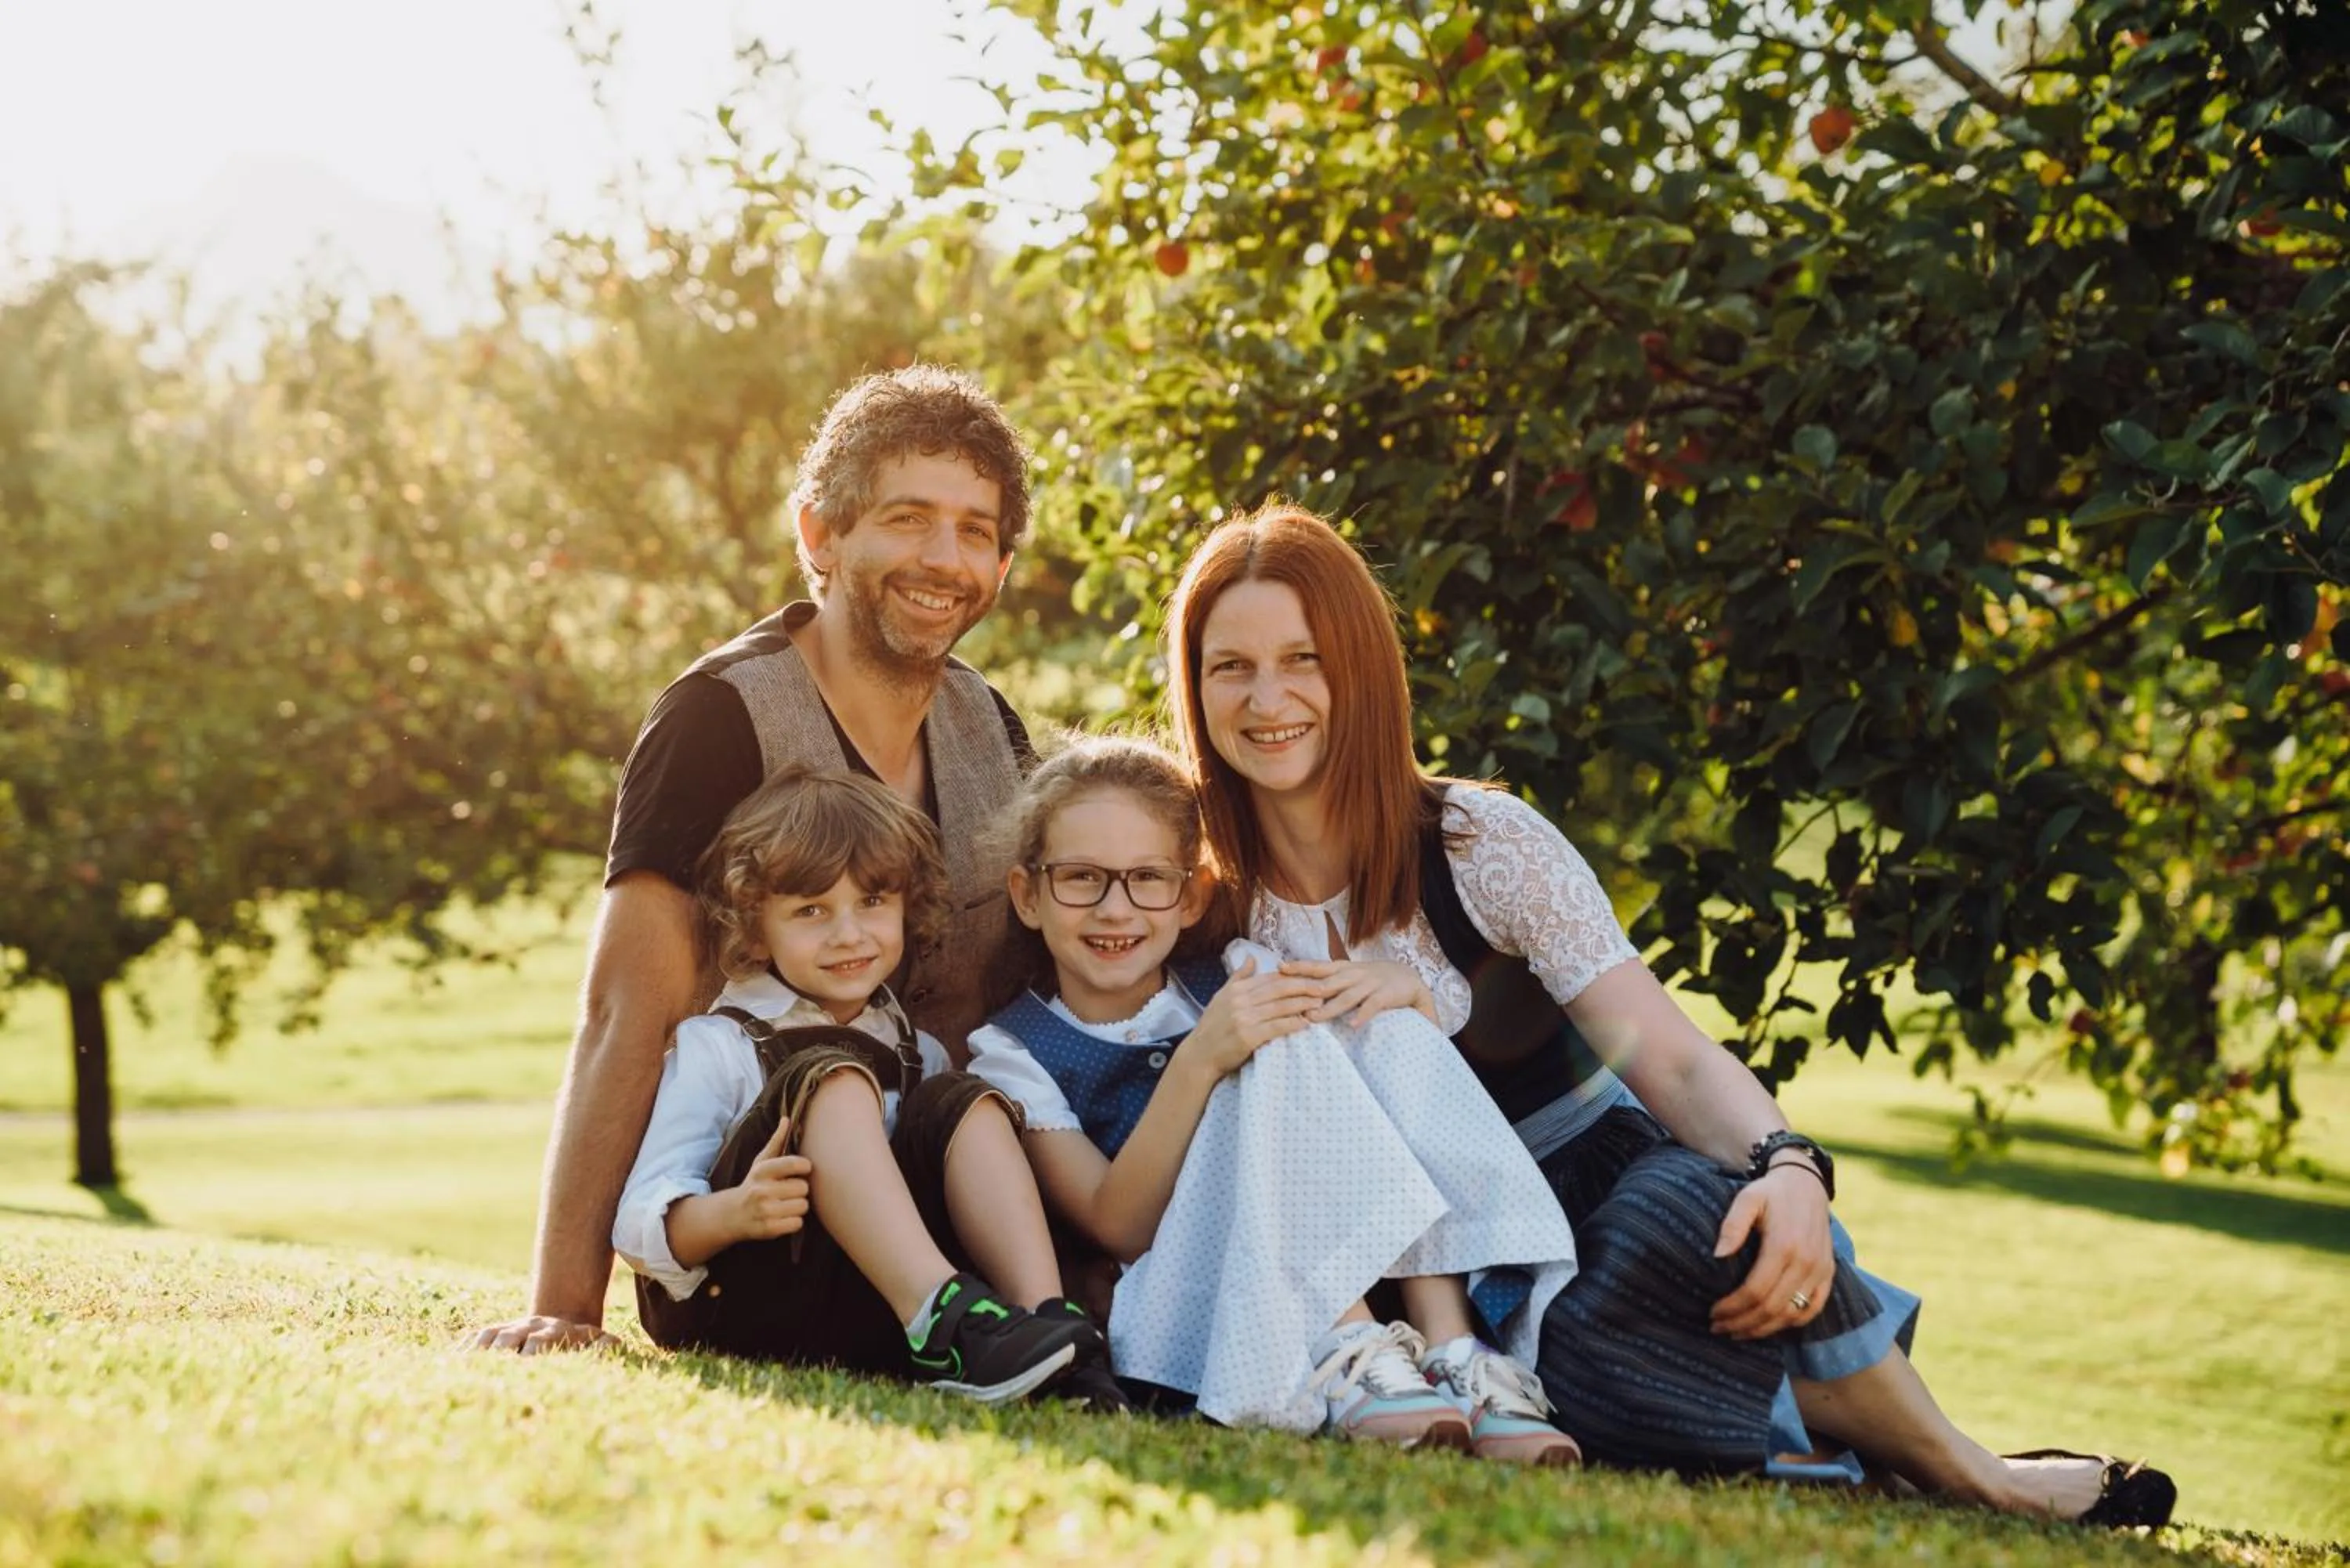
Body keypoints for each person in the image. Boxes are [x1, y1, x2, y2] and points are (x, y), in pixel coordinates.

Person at [1159, 501, 2176, 1526]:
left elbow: (1674, 1062)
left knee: (1675, 1223)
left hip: (1592, 1186)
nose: (1268, 697)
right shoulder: (1193, 898)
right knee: (1570, 1357)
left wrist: (1790, 1165)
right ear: (1194, 688)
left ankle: (1967, 1468)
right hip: (1414, 1271)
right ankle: (1905, 1457)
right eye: (1229, 666)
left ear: (1363, 672)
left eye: (1304, 658)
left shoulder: (1475, 844)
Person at [473, 366, 1036, 1355]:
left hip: (945, 1210)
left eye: (976, 531)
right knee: (821, 1074)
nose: (944, 559)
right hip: (760, 1240)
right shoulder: (718, 718)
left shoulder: (991, 726)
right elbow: (625, 1012)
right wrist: (564, 1305)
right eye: (907, 518)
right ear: (819, 534)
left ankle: (1030, 1327)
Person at [965, 736, 1580, 1461]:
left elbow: (1368, 1079)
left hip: (1303, 1249)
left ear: (1191, 895)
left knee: (1362, 1025)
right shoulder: (1013, 1051)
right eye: (1081, 878)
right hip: (1187, 1294)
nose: (1115, 908)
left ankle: (1453, 1349)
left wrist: (1402, 994)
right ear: (1027, 896)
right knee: (1272, 1034)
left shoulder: (1234, 973)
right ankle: (1345, 1341)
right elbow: (1117, 1225)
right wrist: (1201, 1057)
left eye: (1147, 879)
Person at [613, 765, 1119, 1404]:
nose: (847, 934)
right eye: (811, 910)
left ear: (908, 903)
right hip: (751, 1307)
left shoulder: (918, 1051)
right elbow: (637, 1221)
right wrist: (733, 1212)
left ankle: (1043, 1331)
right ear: (754, 925)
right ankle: (943, 1320)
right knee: (831, 1077)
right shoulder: (720, 1045)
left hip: (868, 1316)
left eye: (872, 903)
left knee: (963, 1100)